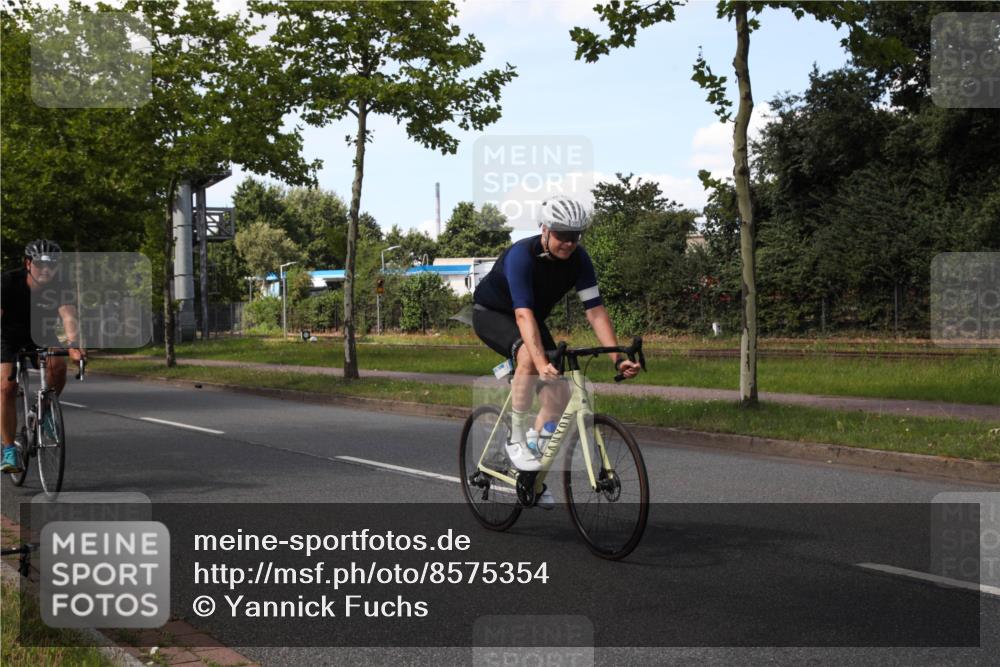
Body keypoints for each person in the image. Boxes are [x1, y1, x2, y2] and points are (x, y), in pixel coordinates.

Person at [472, 196, 640, 504]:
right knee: (528, 357)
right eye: (562, 235)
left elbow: (596, 311)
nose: (569, 243)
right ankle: (516, 439)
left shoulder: (579, 259)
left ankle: (531, 476)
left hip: (530, 318)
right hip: (493, 313)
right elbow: (521, 315)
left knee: (559, 395)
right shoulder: (522, 256)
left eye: (576, 236)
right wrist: (538, 360)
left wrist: (618, 358)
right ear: (545, 230)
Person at [1, 240, 86, 473]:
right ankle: (8, 450)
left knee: (58, 367)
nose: (46, 269)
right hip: (8, 336)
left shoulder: (60, 285)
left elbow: (68, 316)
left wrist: (74, 345)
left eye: (52, 265)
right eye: (40, 264)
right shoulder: (8, 282)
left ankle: (45, 410)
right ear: (28, 263)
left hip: (42, 333)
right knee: (6, 387)